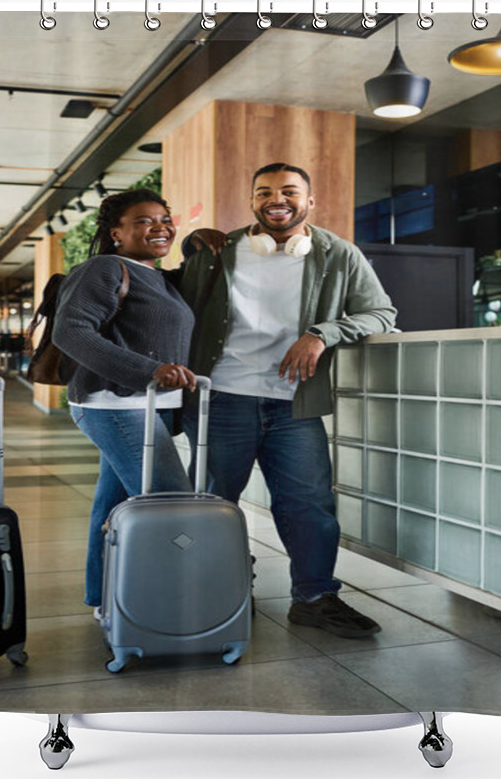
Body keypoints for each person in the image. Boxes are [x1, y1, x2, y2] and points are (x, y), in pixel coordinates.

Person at [178, 163, 397, 638]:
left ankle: (316, 598)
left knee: (310, 506)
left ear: (310, 201)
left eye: (289, 191)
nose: (277, 199)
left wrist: (324, 333)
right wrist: (189, 243)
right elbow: (173, 300)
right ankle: (224, 594)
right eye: (264, 191)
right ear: (252, 200)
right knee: (214, 504)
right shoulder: (218, 252)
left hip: (294, 406)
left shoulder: (338, 253)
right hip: (221, 401)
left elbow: (381, 313)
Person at [52, 189, 197, 615]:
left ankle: (105, 600)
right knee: (171, 508)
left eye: (165, 219)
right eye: (144, 220)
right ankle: (170, 608)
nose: (160, 227)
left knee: (112, 509)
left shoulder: (158, 277)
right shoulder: (103, 268)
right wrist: (146, 370)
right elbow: (72, 332)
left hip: (139, 407)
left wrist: (197, 242)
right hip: (116, 406)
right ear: (116, 232)